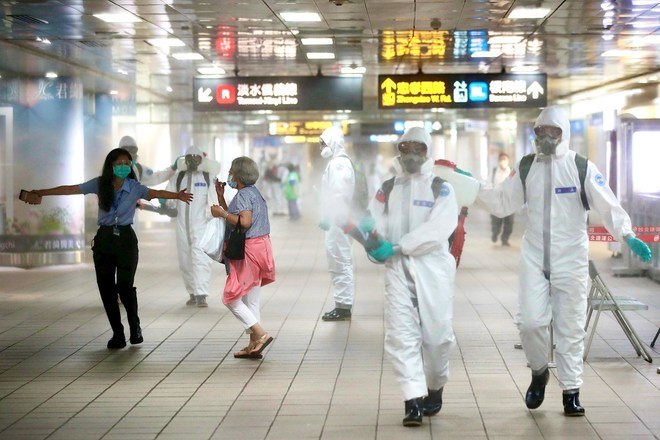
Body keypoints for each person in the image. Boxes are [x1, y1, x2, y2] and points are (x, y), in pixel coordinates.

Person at [477, 105, 652, 416]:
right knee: (530, 322)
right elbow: (503, 202)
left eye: (553, 131)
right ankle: (539, 371)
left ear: (564, 134)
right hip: (534, 255)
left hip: (570, 257)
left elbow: (607, 204)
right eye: (540, 131)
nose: (546, 137)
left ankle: (571, 390)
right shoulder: (527, 166)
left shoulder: (580, 166)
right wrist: (472, 189)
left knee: (570, 327)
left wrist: (627, 235)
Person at [22, 148, 193, 349]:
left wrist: (177, 195)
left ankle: (135, 327)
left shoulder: (135, 187)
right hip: (104, 239)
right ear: (110, 165)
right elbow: (72, 189)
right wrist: (42, 192)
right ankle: (117, 333)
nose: (123, 166)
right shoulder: (100, 184)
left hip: (126, 240)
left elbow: (155, 193)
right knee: (106, 289)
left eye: (126, 163)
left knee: (125, 287)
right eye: (119, 163)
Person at [361, 127, 459, 427]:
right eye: (406, 148)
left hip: (433, 270)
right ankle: (412, 400)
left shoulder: (441, 188)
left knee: (438, 339)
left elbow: (437, 230)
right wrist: (369, 234)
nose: (412, 155)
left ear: (427, 152)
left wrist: (400, 245)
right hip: (397, 270)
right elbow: (375, 222)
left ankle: (435, 385)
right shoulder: (387, 188)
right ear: (399, 151)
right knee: (401, 335)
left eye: (419, 148)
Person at [211, 156, 276, 359]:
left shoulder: (243, 195)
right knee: (251, 299)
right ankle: (253, 344)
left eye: (231, 171)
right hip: (261, 247)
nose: (229, 174)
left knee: (230, 298)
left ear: (239, 175)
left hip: (248, 251)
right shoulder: (253, 192)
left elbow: (244, 222)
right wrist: (221, 199)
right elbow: (237, 217)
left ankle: (260, 334)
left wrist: (221, 213)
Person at [166, 146, 219, 307]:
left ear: (201, 160)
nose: (193, 161)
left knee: (201, 259)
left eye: (196, 158)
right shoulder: (178, 177)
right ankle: (192, 292)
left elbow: (214, 201)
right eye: (190, 158)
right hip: (182, 226)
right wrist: (166, 204)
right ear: (185, 160)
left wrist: (212, 220)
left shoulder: (208, 177)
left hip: (201, 225)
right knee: (184, 260)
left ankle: (201, 294)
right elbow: (169, 196)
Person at [318, 126, 356, 321]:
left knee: (340, 260)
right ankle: (342, 304)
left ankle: (343, 307)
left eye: (323, 143)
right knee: (338, 259)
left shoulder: (339, 164)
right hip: (338, 220)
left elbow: (339, 194)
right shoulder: (337, 163)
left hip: (339, 221)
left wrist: (332, 215)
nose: (321, 147)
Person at [489, 152, 514, 246]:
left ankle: (505, 239)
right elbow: (489, 183)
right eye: (501, 159)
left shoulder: (512, 172)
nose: (503, 161)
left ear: (508, 161)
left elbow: (516, 184)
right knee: (496, 219)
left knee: (509, 221)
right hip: (497, 200)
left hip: (509, 200)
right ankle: (495, 233)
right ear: (499, 161)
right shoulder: (494, 171)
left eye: (505, 159)